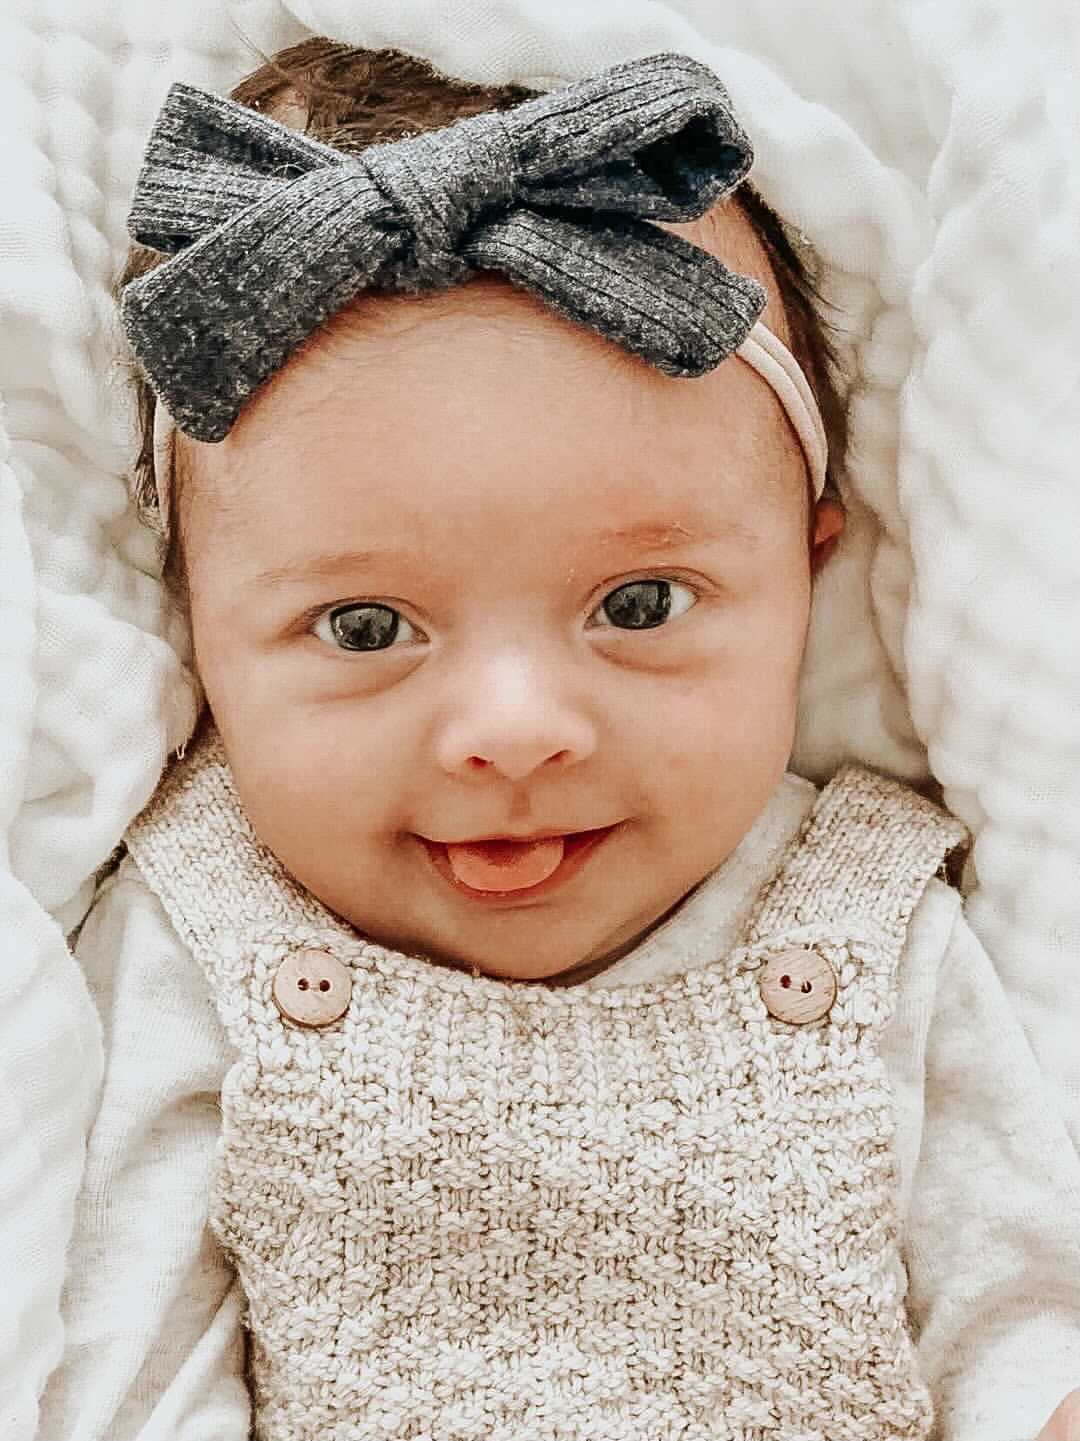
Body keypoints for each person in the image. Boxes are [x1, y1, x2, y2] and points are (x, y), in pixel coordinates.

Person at [41, 37, 1080, 1441]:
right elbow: (119, 1374)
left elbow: (1016, 1326)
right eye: (364, 628)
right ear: (200, 633)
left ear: (809, 572)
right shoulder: (196, 927)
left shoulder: (874, 924)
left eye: (638, 605)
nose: (514, 732)